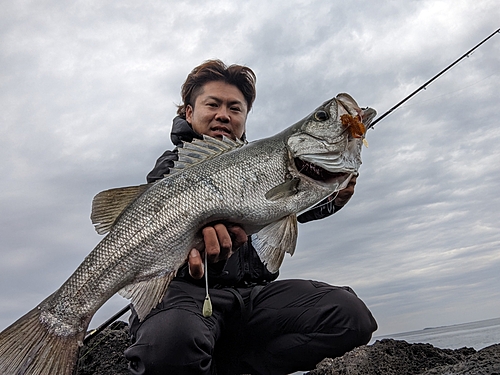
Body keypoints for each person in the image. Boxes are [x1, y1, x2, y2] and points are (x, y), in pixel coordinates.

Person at [124, 60, 377, 375]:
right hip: (186, 296)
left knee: (350, 317)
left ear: (244, 117)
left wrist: (333, 198)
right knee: (169, 345)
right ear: (188, 113)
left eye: (235, 108)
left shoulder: (264, 163)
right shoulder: (171, 170)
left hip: (251, 296)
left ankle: (227, 365)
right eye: (212, 104)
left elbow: (287, 206)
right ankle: (193, 348)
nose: (223, 115)